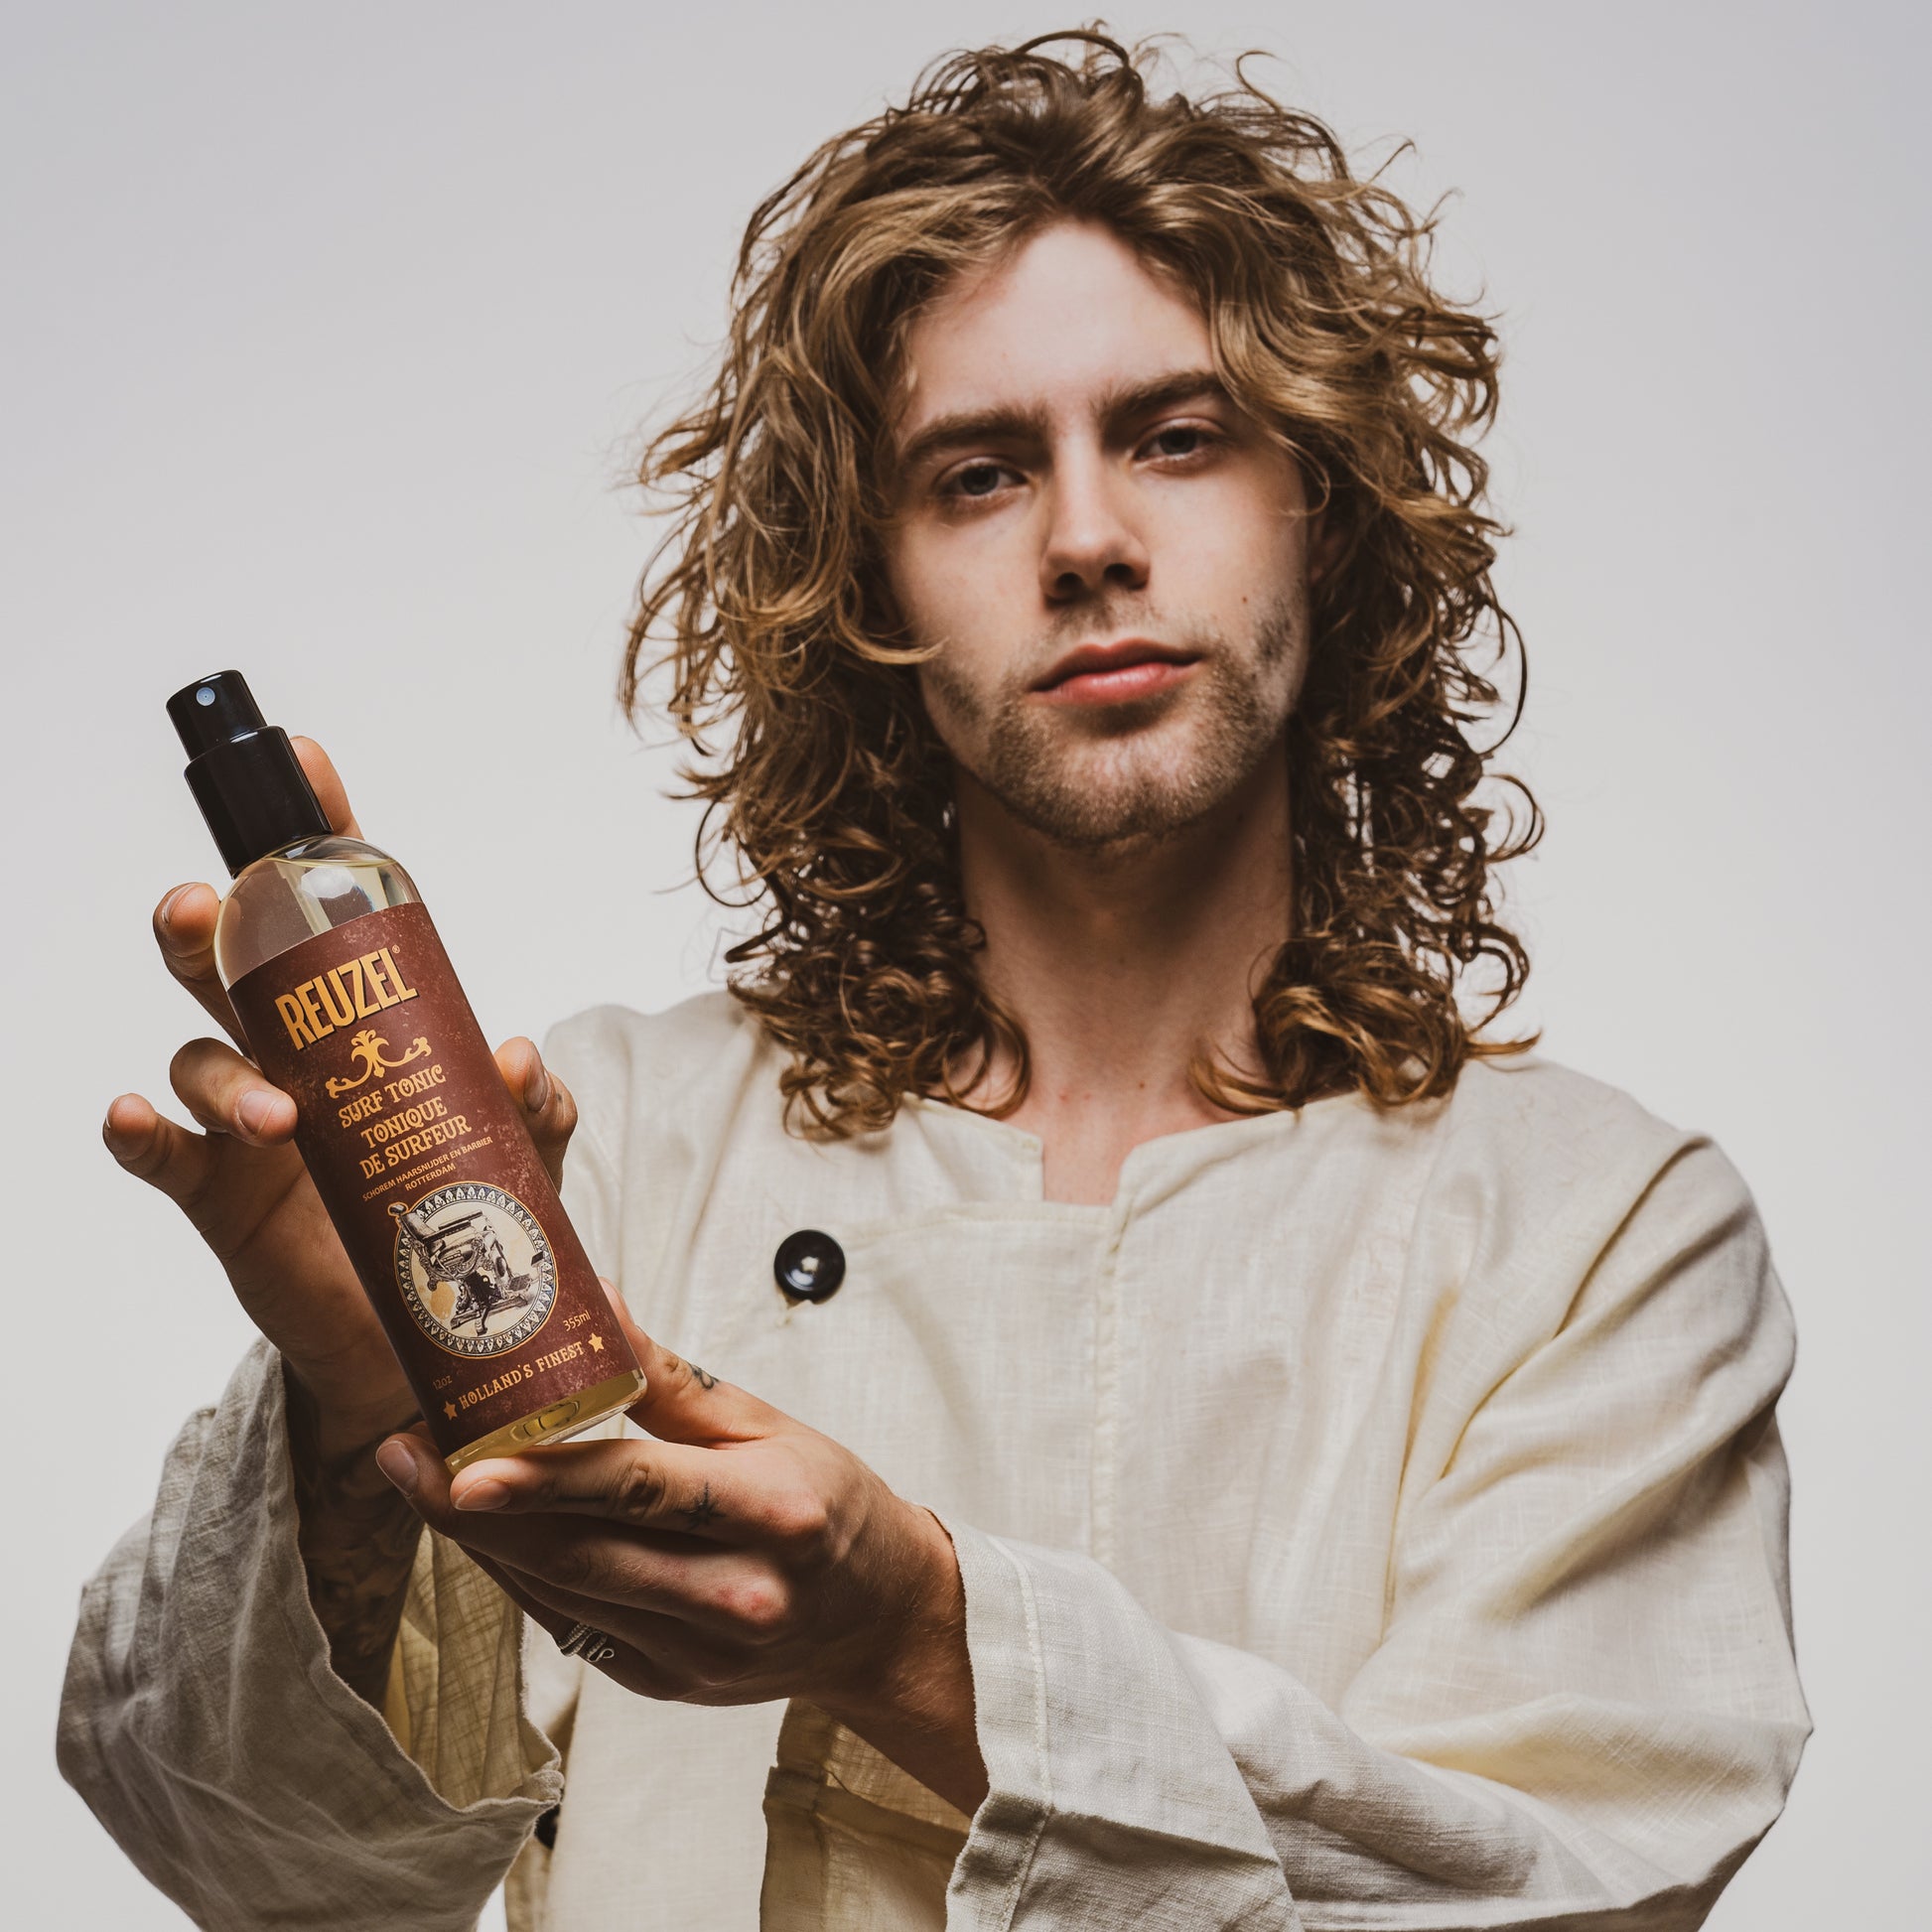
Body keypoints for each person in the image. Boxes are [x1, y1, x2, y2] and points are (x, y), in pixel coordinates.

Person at [60, 31, 1809, 1932]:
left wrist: (919, 1632)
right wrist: (347, 1414)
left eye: (1175, 433)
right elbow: (251, 1866)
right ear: (868, 583)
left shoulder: (1599, 1237)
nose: (1084, 540)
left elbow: (1566, 1897)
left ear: (1326, 501)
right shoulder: (600, 1149)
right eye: (978, 473)